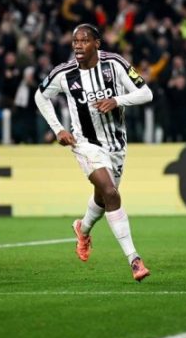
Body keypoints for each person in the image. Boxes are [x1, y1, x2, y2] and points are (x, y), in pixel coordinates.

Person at [34, 23, 153, 282]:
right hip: (85, 143)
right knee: (111, 192)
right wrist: (58, 129)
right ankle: (134, 259)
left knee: (103, 197)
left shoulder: (115, 64)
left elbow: (146, 93)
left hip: (116, 145)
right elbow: (40, 96)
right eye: (75, 41)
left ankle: (82, 228)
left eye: (84, 40)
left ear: (96, 43)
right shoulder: (64, 73)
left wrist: (117, 100)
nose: (78, 45)